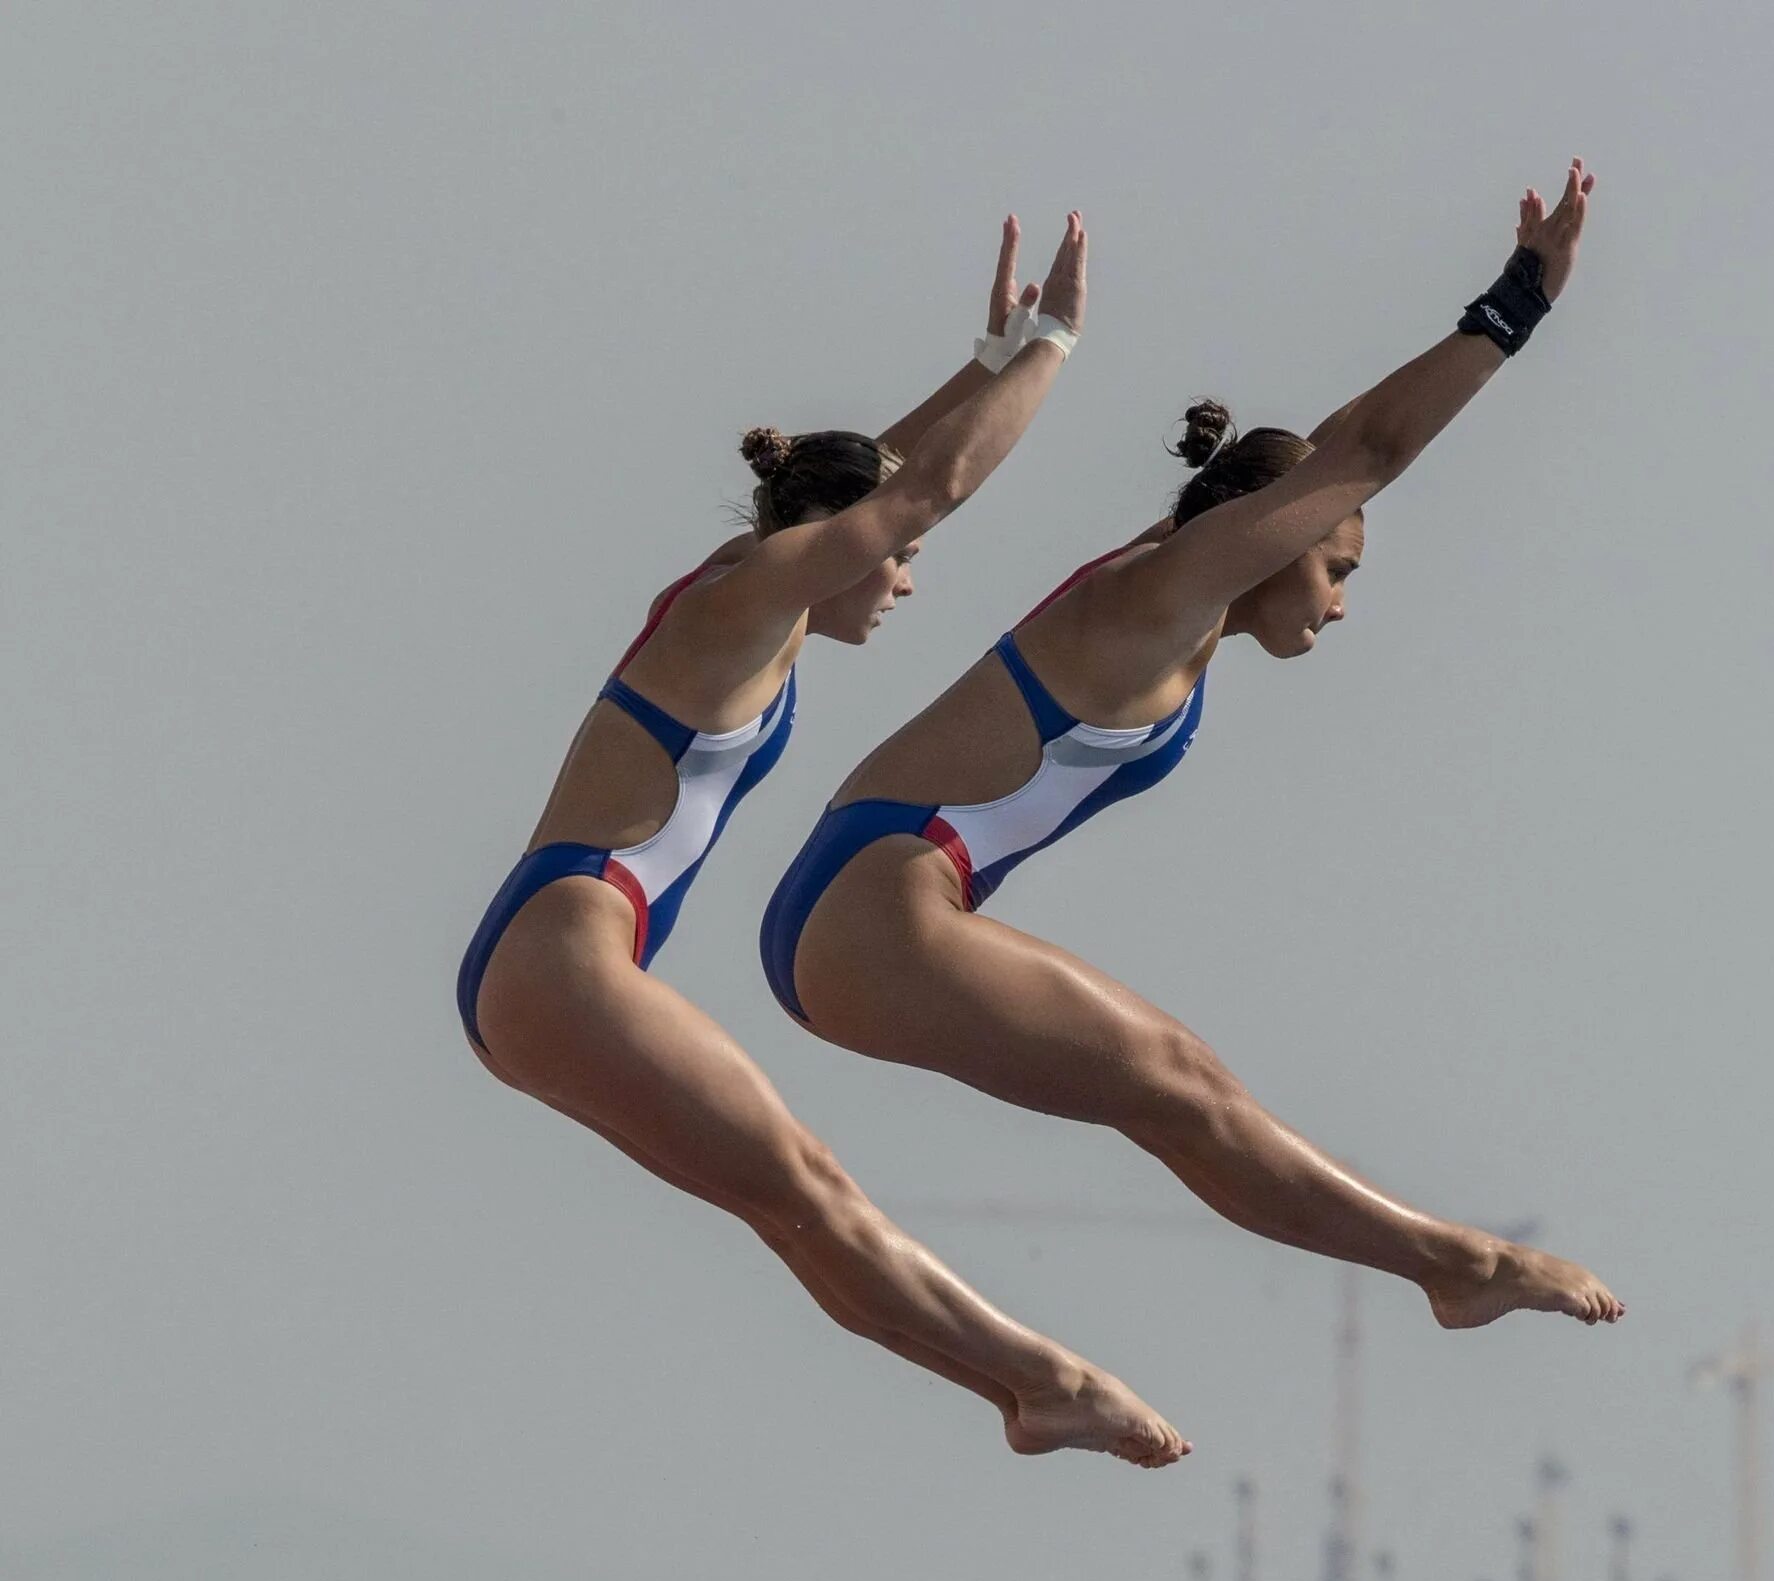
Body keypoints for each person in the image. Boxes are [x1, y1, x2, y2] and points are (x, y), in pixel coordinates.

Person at [762, 163, 1622, 1337]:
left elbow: (1319, 452)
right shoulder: (1167, 593)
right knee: (1180, 1084)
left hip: (870, 904)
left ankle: (1444, 1265)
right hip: (879, 905)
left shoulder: (1180, 581)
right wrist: (1518, 303)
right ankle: (1451, 1264)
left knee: (1176, 1092)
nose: (1340, 602)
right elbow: (1364, 447)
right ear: (1271, 544)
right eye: (1335, 568)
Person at [457, 215, 1186, 1469]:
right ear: (832, 543)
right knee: (805, 1184)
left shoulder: (748, 595)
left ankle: (1024, 1390)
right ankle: (1044, 1379)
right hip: (568, 947)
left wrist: (992, 353)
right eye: (894, 558)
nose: (907, 574)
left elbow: (882, 484)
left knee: (791, 1203)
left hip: (551, 955)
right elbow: (918, 488)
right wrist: (1055, 346)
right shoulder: (745, 601)